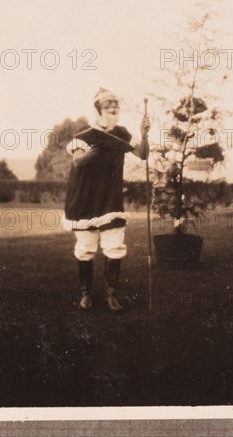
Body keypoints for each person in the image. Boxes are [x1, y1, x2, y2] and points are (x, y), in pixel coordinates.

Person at [62, 88, 150, 312]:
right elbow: (78, 163)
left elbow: (142, 155)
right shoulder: (84, 136)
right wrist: (98, 146)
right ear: (98, 109)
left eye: (116, 105)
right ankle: (86, 294)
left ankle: (111, 296)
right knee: (86, 248)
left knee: (114, 246)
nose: (113, 108)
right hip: (84, 200)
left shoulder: (121, 133)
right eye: (108, 105)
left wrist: (144, 134)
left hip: (110, 200)